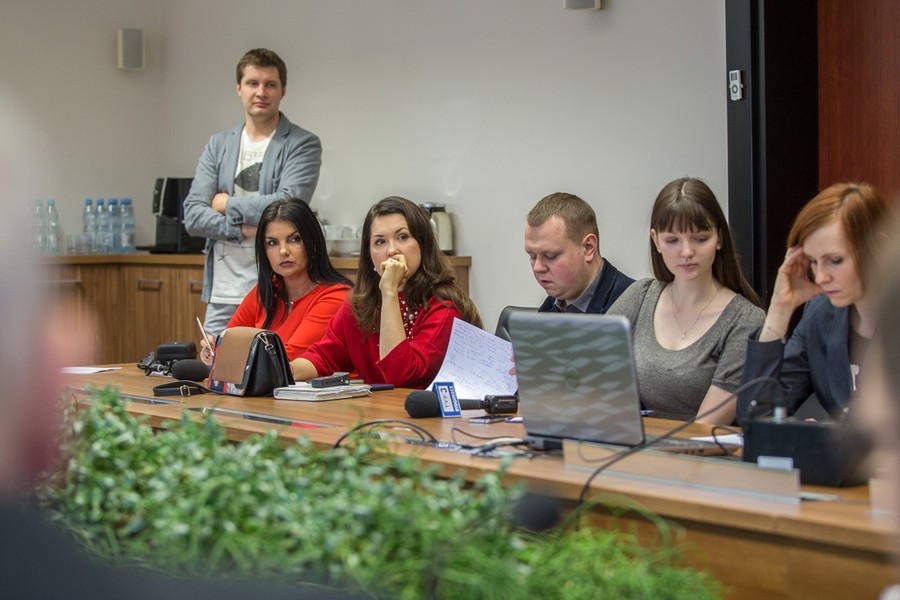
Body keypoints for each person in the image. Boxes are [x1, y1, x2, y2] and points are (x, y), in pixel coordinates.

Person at [183, 48, 322, 338]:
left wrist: (226, 203)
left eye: (270, 84)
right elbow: (193, 215)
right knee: (215, 372)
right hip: (223, 289)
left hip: (278, 288)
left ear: (283, 90)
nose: (261, 92)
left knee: (273, 371)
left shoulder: (302, 143)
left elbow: (288, 203)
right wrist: (246, 228)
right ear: (239, 88)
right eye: (252, 83)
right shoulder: (218, 145)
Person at [608, 177, 765, 424]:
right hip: (637, 447)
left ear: (719, 238)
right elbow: (589, 364)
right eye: (672, 240)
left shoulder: (746, 320)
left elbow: (705, 428)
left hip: (704, 453)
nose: (687, 252)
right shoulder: (640, 296)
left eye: (700, 238)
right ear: (656, 240)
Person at [737, 182, 890, 425]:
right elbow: (754, 417)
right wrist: (779, 309)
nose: (820, 277)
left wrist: (829, 436)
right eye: (812, 261)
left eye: (835, 260)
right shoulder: (820, 313)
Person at [291, 197, 482, 388]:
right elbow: (324, 357)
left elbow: (402, 377)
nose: (391, 250)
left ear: (423, 244)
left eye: (403, 237)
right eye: (380, 242)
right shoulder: (359, 304)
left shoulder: (444, 307)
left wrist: (389, 291)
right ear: (369, 254)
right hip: (379, 414)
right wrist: (282, 372)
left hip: (428, 415)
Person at [199, 199, 351, 363]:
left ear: (312, 243)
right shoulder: (266, 290)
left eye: (294, 239)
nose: (283, 251)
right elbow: (229, 343)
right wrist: (215, 352)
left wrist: (232, 356)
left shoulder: (336, 296)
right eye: (272, 243)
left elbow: (287, 359)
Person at [524, 192, 633, 314]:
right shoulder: (548, 307)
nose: (538, 268)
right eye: (532, 256)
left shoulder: (634, 306)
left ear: (588, 247)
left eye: (550, 256)